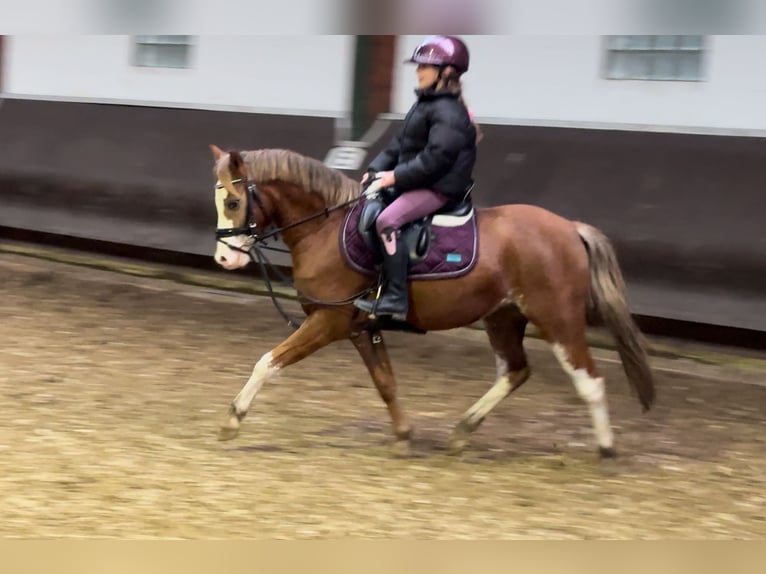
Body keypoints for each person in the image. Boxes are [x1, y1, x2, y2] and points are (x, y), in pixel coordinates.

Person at [354, 35, 480, 321]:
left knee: (388, 220)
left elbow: (436, 159)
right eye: (419, 65)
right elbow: (400, 144)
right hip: (418, 181)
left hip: (438, 187)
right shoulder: (426, 104)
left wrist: (393, 177)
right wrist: (375, 169)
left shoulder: (448, 112)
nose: (418, 70)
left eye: (425, 66)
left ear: (446, 72)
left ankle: (396, 298)